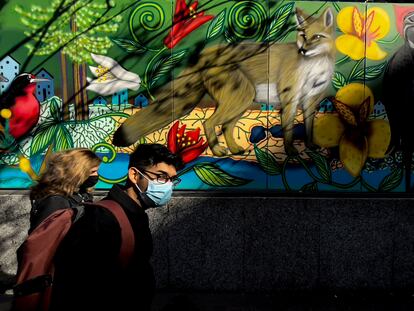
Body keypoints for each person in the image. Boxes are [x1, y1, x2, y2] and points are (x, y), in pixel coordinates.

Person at [48, 143, 182, 311]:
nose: (167, 185)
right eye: (161, 177)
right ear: (134, 175)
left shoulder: (135, 214)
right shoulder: (103, 220)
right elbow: (79, 288)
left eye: (171, 179)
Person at [28, 148, 101, 233]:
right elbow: (43, 239)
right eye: (93, 171)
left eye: (97, 171)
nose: (96, 175)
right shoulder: (55, 201)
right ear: (76, 172)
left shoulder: (80, 193)